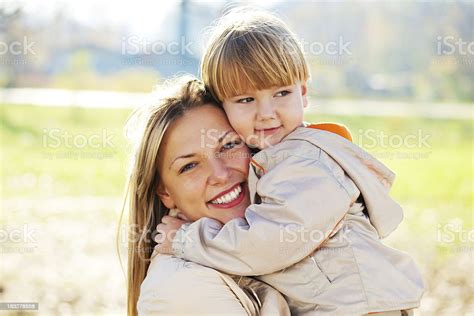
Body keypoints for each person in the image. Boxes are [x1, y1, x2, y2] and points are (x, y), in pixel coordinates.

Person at [155, 8, 425, 315]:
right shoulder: (276, 158)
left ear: (304, 92)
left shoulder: (307, 164)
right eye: (246, 100)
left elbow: (268, 244)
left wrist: (186, 240)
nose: (266, 112)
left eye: (281, 93)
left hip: (360, 307)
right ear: (222, 105)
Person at [123, 76, 291, 316]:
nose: (220, 174)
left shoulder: (292, 228)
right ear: (165, 192)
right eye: (190, 166)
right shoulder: (184, 288)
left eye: (229, 146)